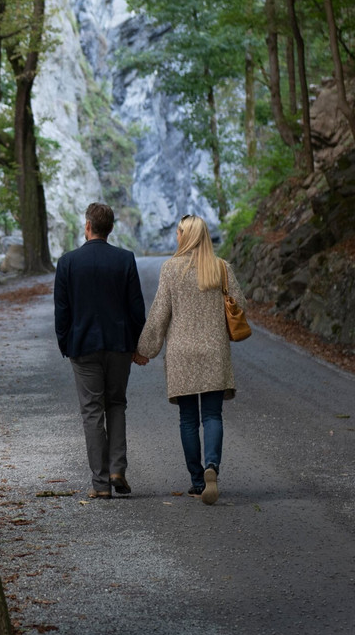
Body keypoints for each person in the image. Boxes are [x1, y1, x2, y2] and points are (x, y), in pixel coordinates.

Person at [136, 215, 247, 506]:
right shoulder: (220, 267)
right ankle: (212, 467)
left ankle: (198, 482)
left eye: (178, 233)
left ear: (186, 236)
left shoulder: (170, 269)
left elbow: (160, 314)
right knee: (212, 416)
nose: (176, 237)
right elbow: (240, 305)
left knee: (188, 419)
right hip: (214, 351)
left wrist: (145, 349)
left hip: (182, 354)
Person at [53, 202, 148, 499]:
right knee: (116, 404)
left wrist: (65, 343)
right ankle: (118, 467)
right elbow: (136, 308)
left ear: (87, 226)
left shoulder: (68, 262)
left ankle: (101, 482)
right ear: (110, 228)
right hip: (119, 344)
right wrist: (137, 345)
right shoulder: (125, 260)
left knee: (92, 410)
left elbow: (62, 310)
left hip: (83, 346)